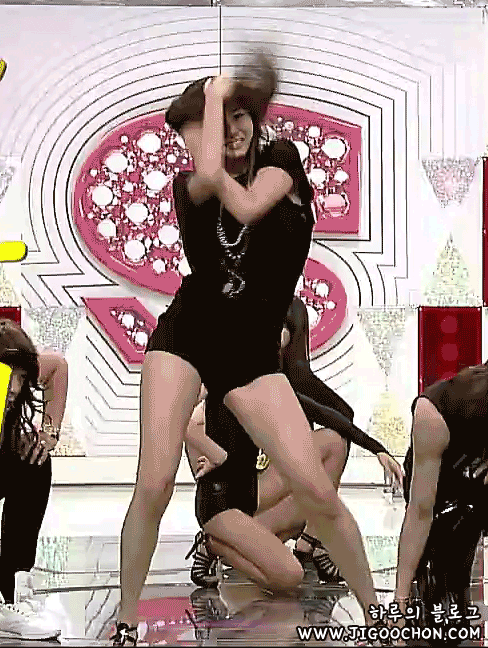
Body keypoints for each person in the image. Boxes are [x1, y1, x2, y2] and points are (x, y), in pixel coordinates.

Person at [114, 52, 380, 647]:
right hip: (187, 334)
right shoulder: (190, 187)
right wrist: (214, 96)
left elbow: (252, 205)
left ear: (256, 118)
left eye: (240, 117)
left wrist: (226, 98)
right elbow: (212, 177)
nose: (229, 131)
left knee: (315, 489)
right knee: (153, 482)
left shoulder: (282, 159)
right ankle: (126, 622)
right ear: (188, 140)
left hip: (250, 351)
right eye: (209, 126)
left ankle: (380, 618)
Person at [185, 298, 403, 591]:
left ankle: (308, 542)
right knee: (287, 576)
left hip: (255, 487)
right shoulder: (229, 370)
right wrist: (216, 454)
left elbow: (325, 412)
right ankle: (215, 544)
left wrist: (378, 449)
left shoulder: (273, 379)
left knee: (331, 451)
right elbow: (186, 419)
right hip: (228, 493)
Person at [394, 363, 488, 643]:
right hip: (439, 490)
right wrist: (399, 602)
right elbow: (420, 511)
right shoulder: (434, 412)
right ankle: (433, 571)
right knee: (445, 628)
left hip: (477, 481)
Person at [0, 318, 68, 640]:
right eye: (9, 374)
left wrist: (49, 433)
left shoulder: (24, 375)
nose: (15, 387)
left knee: (35, 462)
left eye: (21, 376)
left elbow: (57, 367)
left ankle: (13, 590)